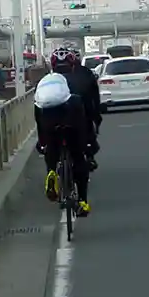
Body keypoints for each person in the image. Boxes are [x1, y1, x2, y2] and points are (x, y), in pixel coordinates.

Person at [33, 72, 93, 216]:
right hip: (70, 120)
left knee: (51, 147)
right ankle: (82, 201)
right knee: (78, 158)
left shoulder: (40, 99)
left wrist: (42, 143)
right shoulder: (73, 98)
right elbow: (84, 124)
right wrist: (87, 144)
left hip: (48, 122)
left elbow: (39, 125)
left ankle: (51, 172)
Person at [50, 47, 103, 164]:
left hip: (53, 121)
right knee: (81, 148)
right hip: (76, 121)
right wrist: (97, 117)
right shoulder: (84, 75)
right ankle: (88, 156)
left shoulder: (47, 80)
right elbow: (93, 100)